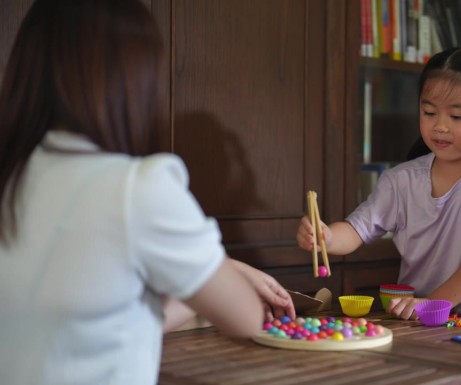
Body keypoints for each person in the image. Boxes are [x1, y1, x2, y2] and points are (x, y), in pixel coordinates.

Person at [0, 1, 294, 384]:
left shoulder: (12, 178)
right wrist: (221, 270)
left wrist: (221, 270)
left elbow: (112, 321)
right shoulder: (136, 188)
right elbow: (245, 317)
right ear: (133, 81)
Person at [297, 47, 461, 323]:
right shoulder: (401, 179)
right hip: (428, 321)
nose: (440, 126)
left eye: (457, 116)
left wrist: (432, 303)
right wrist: (326, 237)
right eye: (429, 112)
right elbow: (357, 229)